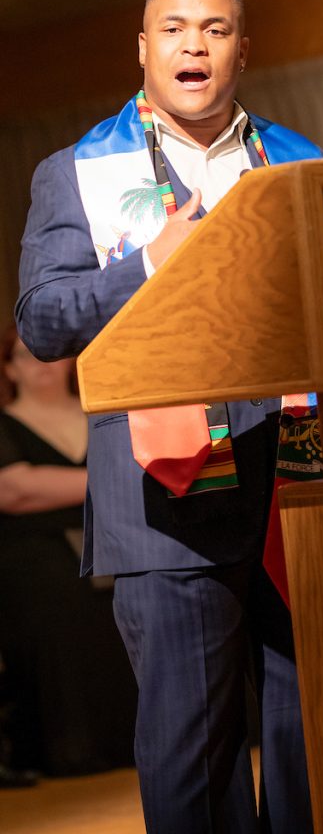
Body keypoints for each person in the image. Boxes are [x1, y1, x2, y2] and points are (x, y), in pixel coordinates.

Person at [15, 0, 323, 833]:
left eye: (217, 29)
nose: (196, 43)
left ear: (242, 50)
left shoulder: (300, 164)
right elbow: (41, 321)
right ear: (145, 50)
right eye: (177, 28)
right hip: (169, 497)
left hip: (303, 485)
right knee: (195, 760)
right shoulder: (79, 171)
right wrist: (149, 263)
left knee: (318, 738)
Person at [0, 324, 136, 779]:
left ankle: (132, 742)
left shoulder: (103, 414)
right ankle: (69, 750)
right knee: (54, 599)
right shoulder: (4, 424)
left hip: (117, 545)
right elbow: (15, 489)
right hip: (35, 558)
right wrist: (116, 481)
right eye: (26, 355)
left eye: (49, 353)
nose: (40, 364)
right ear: (9, 368)